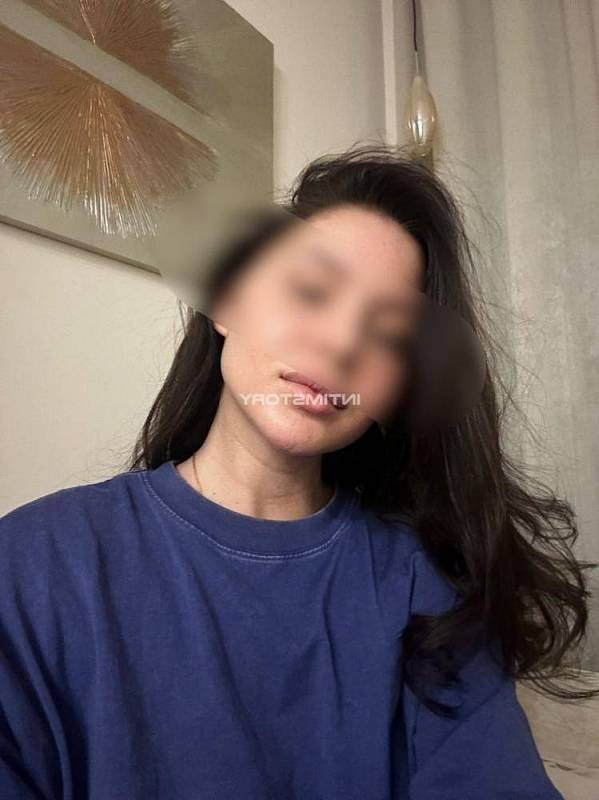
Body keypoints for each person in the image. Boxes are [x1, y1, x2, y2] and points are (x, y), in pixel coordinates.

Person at [0, 143, 594, 800]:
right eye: (310, 290)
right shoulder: (33, 565)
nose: (340, 343)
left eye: (388, 333)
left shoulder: (423, 589)